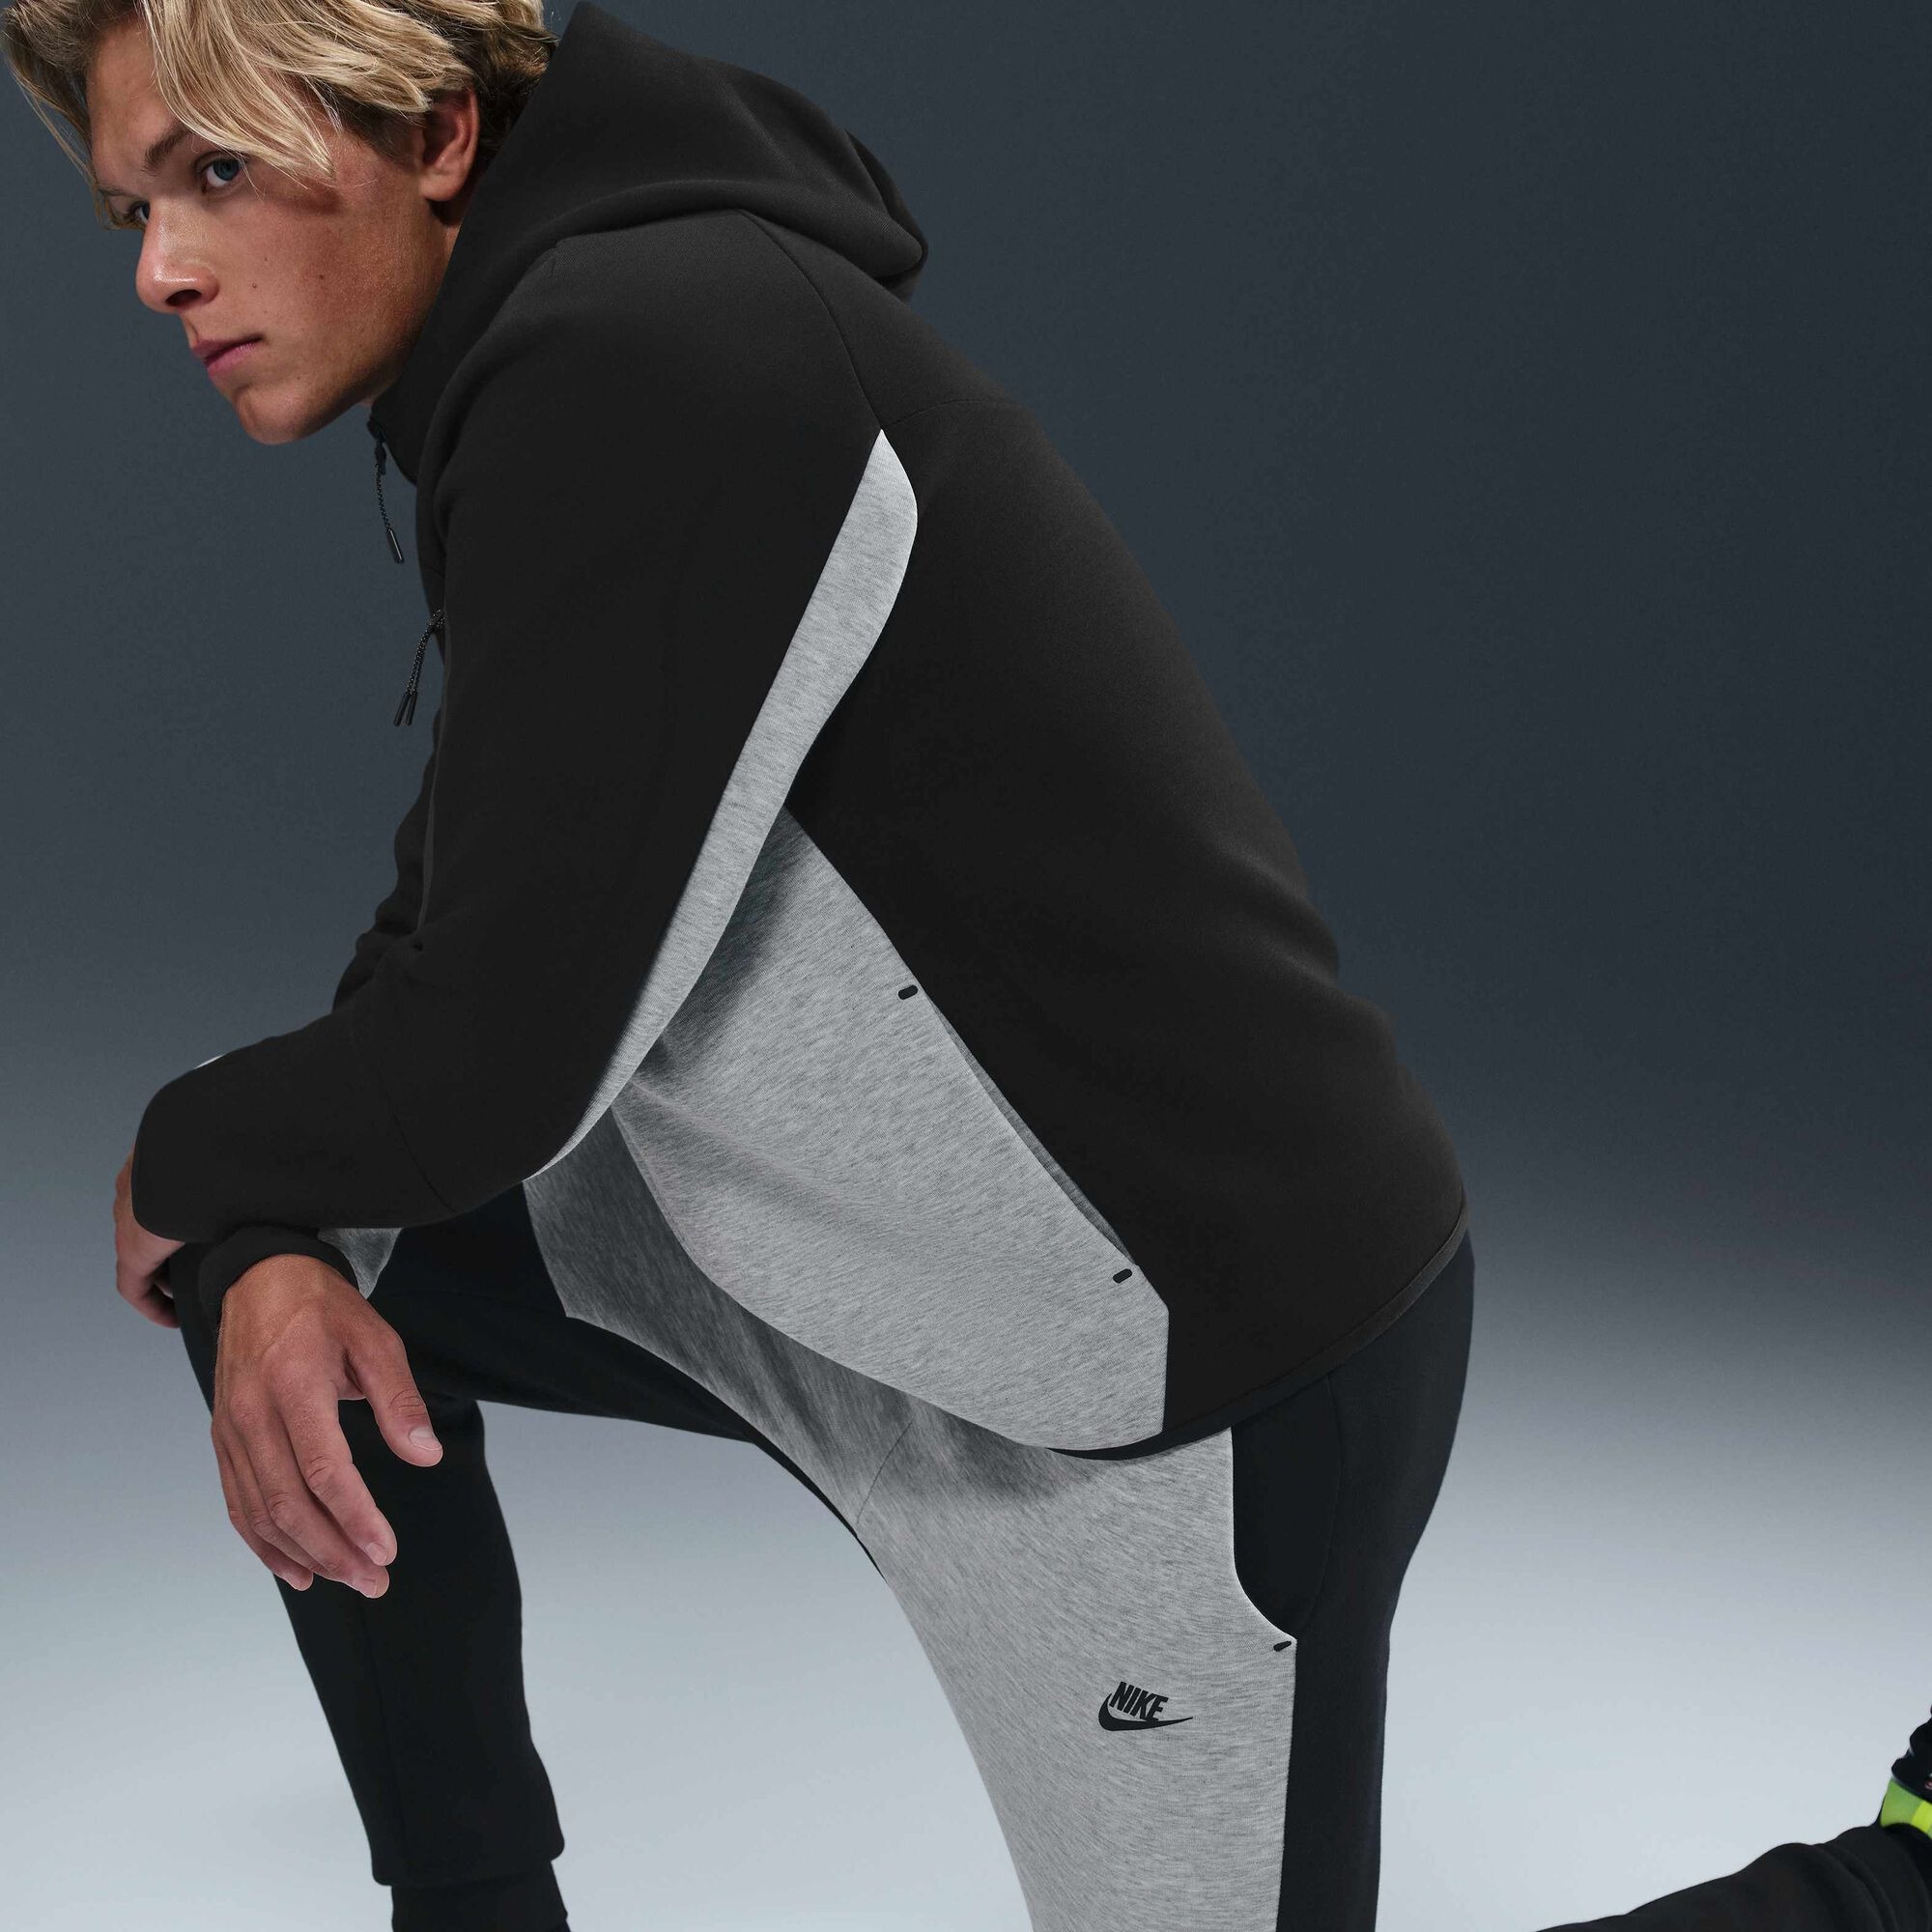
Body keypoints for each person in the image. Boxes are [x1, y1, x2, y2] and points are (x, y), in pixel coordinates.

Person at [11, 1, 1929, 1925]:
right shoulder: (552, 359)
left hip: (1179, 1373)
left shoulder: (651, 361)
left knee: (252, 1183)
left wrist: (180, 1154)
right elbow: (462, 911)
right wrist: (253, 1221)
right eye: (132, 211)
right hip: (843, 1260)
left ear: (436, 134)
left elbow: (493, 1058)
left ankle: (1900, 1880)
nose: (163, 268)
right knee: (287, 1256)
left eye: (217, 173)